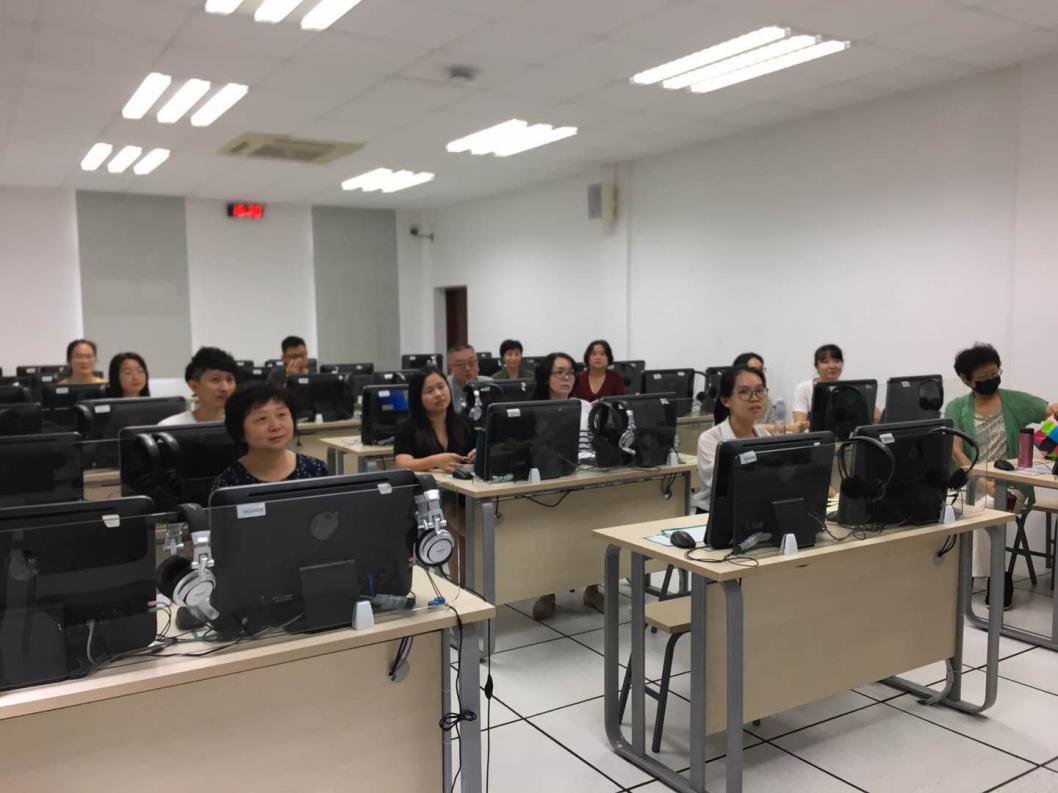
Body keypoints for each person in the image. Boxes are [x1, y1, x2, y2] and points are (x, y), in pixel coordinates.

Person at [945, 343, 1058, 608]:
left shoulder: (1014, 401)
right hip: (971, 483)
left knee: (983, 512)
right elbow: (956, 451)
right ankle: (981, 576)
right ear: (965, 379)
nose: (991, 380)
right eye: (983, 377)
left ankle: (996, 578)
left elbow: (1047, 410)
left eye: (994, 373)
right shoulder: (956, 408)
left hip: (1012, 487)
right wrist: (983, 482)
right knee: (950, 511)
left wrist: (1053, 411)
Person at [530, 352, 600, 620]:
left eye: (570, 372)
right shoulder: (533, 409)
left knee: (593, 528)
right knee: (551, 536)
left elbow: (594, 444)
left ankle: (592, 588)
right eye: (559, 372)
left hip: (585, 477)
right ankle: (547, 592)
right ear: (545, 377)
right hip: (547, 482)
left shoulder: (585, 407)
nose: (566, 377)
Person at [212, 382, 328, 491]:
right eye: (262, 419)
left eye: (281, 414)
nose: (276, 426)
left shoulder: (317, 470)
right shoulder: (228, 485)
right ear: (240, 431)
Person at [693, 365, 771, 514]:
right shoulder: (711, 439)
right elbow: (723, 485)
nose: (755, 398)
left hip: (755, 510)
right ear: (726, 400)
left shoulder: (765, 436)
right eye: (744, 392)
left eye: (760, 391)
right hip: (716, 515)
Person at [394, 366, 477, 472]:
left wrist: (479, 455)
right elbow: (402, 464)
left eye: (441, 387)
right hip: (425, 482)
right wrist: (435, 461)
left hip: (462, 481)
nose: (438, 394)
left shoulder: (467, 423)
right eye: (429, 391)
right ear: (418, 398)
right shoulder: (406, 428)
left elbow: (480, 453)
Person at [160, 346, 239, 425]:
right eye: (215, 380)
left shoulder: (241, 425)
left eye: (229, 379)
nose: (225, 388)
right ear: (194, 386)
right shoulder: (170, 426)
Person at [447, 343, 492, 414]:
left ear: (477, 364)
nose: (467, 368)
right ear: (450, 368)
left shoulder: (490, 384)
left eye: (471, 362)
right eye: (460, 364)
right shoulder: (445, 388)